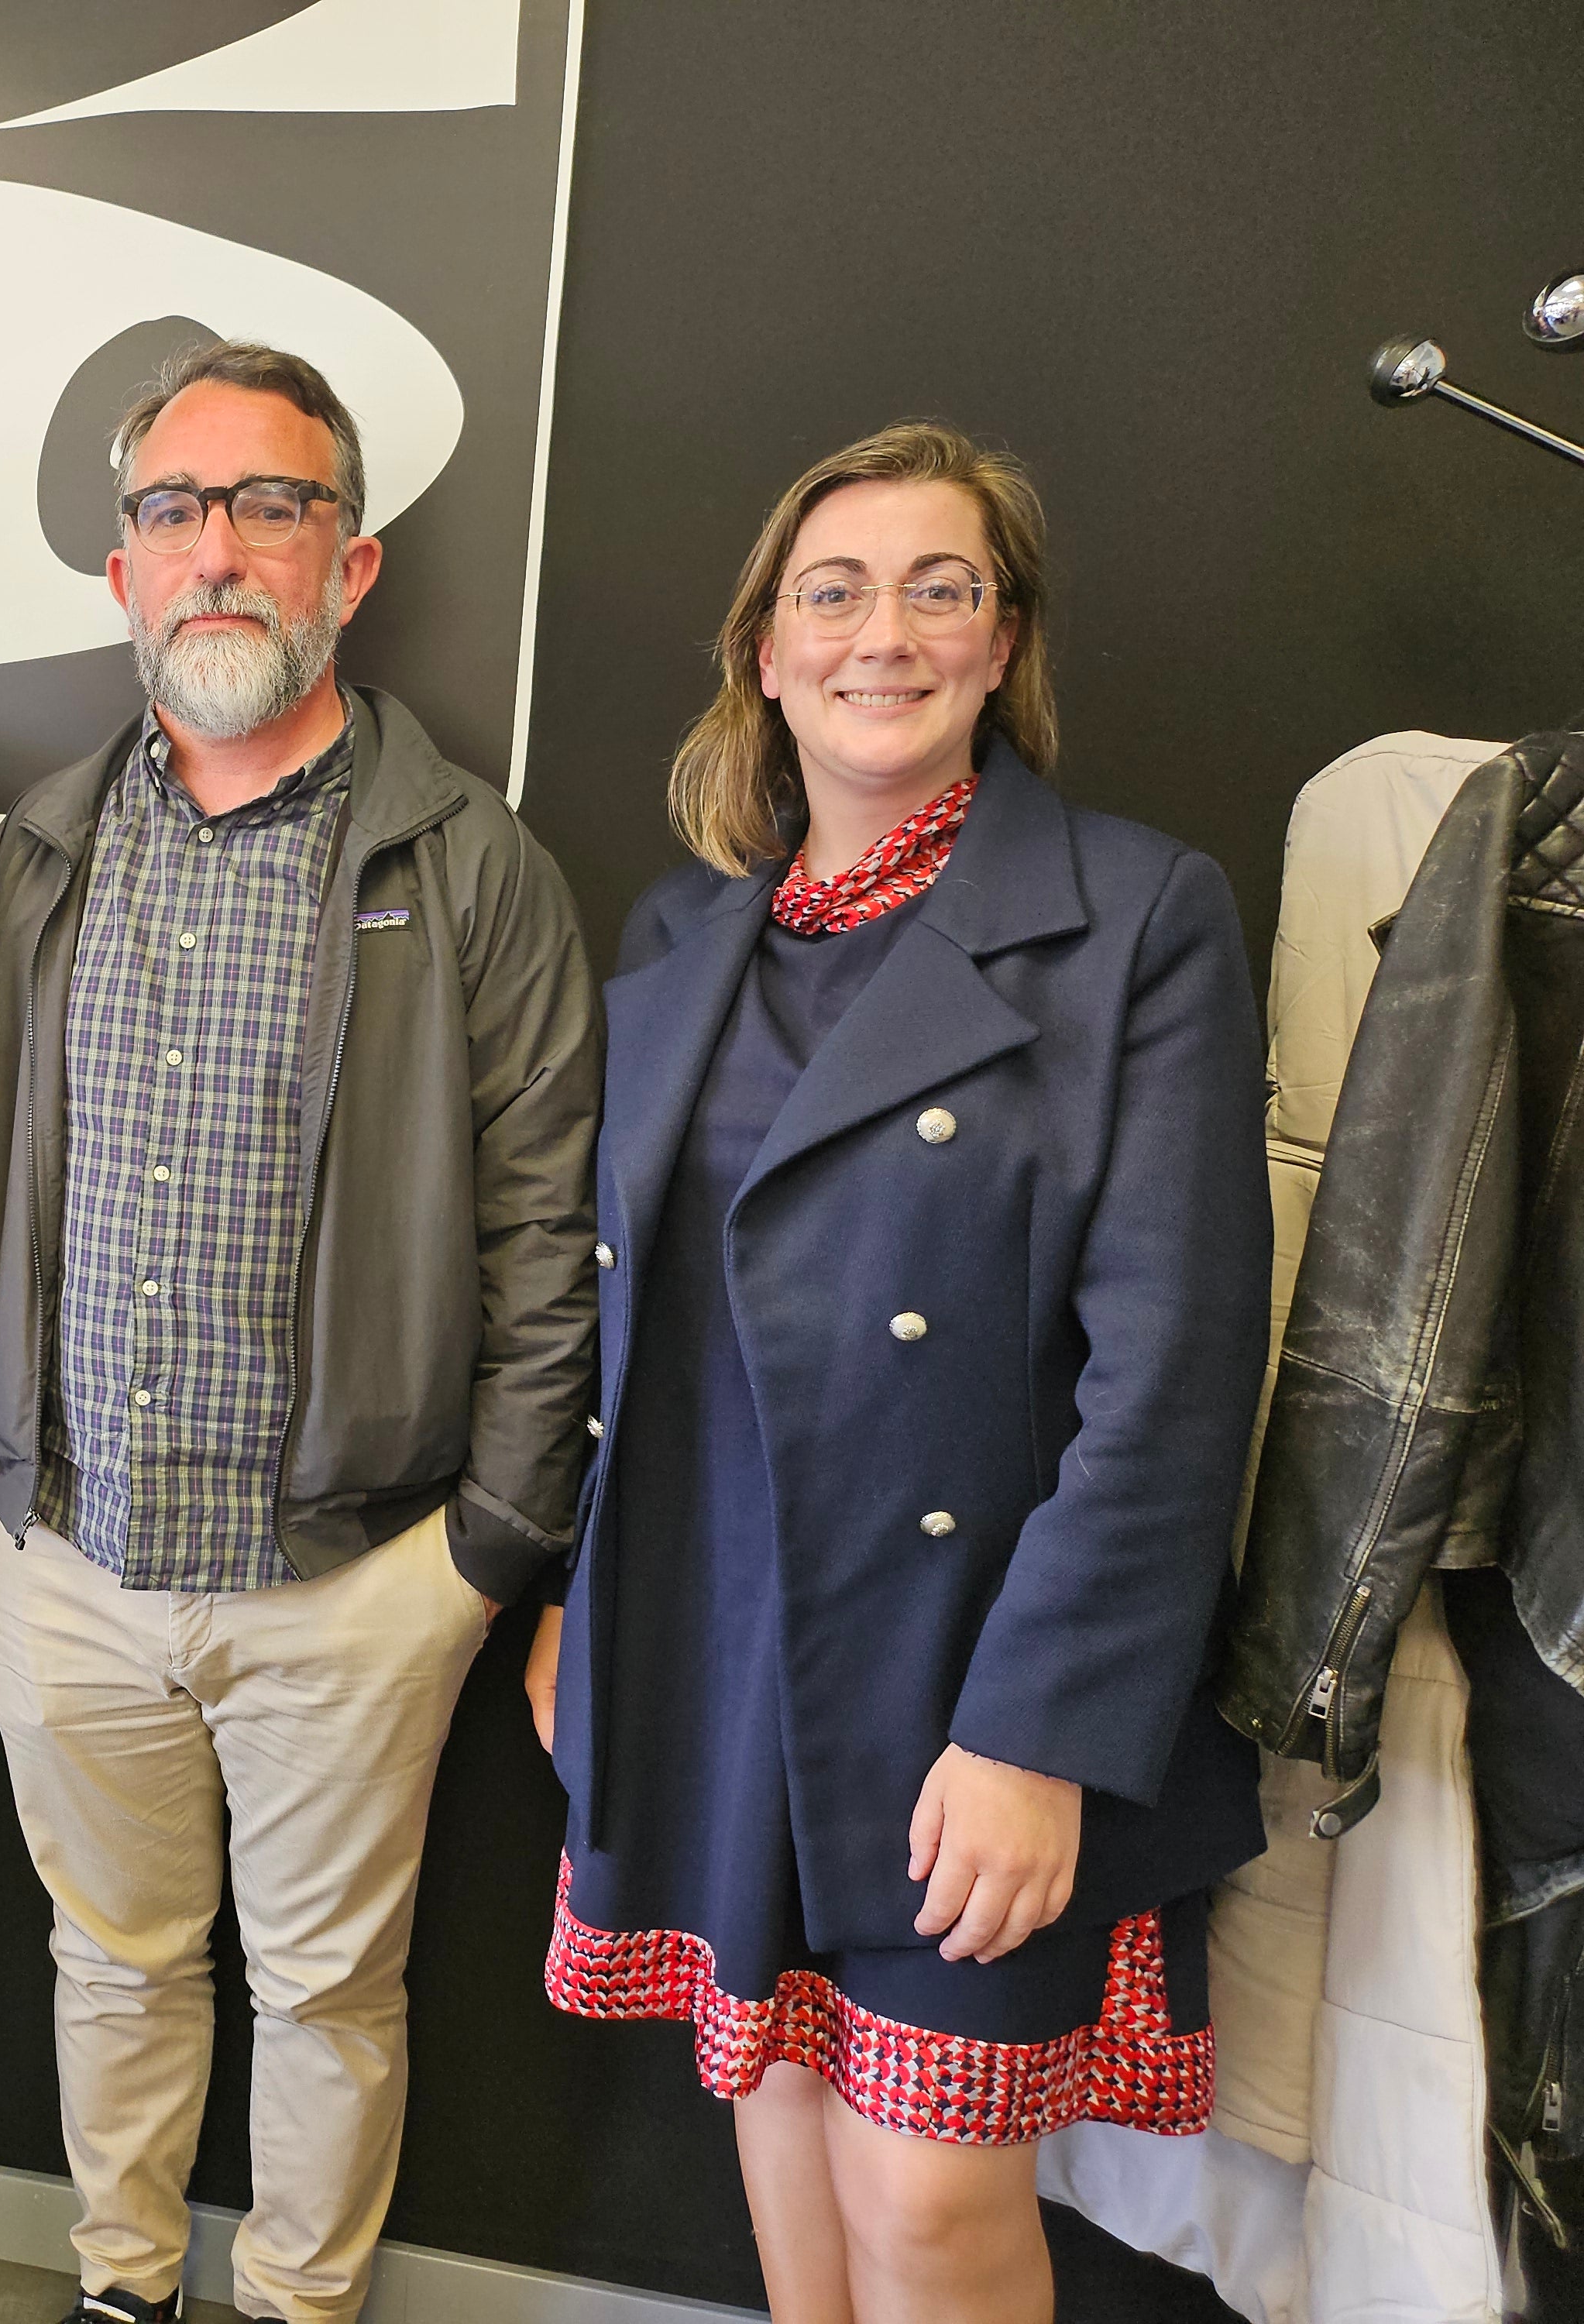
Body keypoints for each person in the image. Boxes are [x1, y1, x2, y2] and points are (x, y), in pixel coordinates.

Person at [525, 421, 1268, 2322]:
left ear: (1001, 643)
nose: (885, 633)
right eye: (831, 593)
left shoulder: (1134, 919)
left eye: (941, 588)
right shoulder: (686, 928)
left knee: (926, 2198)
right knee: (773, 2107)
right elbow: (642, 1331)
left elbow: (1172, 1371)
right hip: (711, 1641)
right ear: (761, 653)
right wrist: (572, 1606)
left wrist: (1038, 1732)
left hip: (968, 1668)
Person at [0, 339, 603, 2324]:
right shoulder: (38, 853)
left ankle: (300, 2304)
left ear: (348, 563)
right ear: (124, 566)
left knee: (326, 1989)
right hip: (60, 1558)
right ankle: (122, 2286)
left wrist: (479, 1553)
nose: (217, 551)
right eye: (173, 511)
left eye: (268, 506)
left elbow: (550, 1232)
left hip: (351, 1575)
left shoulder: (468, 865)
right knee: (109, 1961)